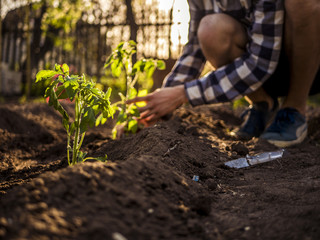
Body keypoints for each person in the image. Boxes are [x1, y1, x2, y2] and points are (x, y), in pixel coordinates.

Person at [128, 0, 320, 148]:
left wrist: (184, 93)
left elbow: (260, 61)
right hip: (265, 68)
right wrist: (156, 106)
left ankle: (294, 108)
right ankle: (263, 105)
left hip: (308, 61)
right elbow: (195, 46)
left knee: (303, 3)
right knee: (211, 29)